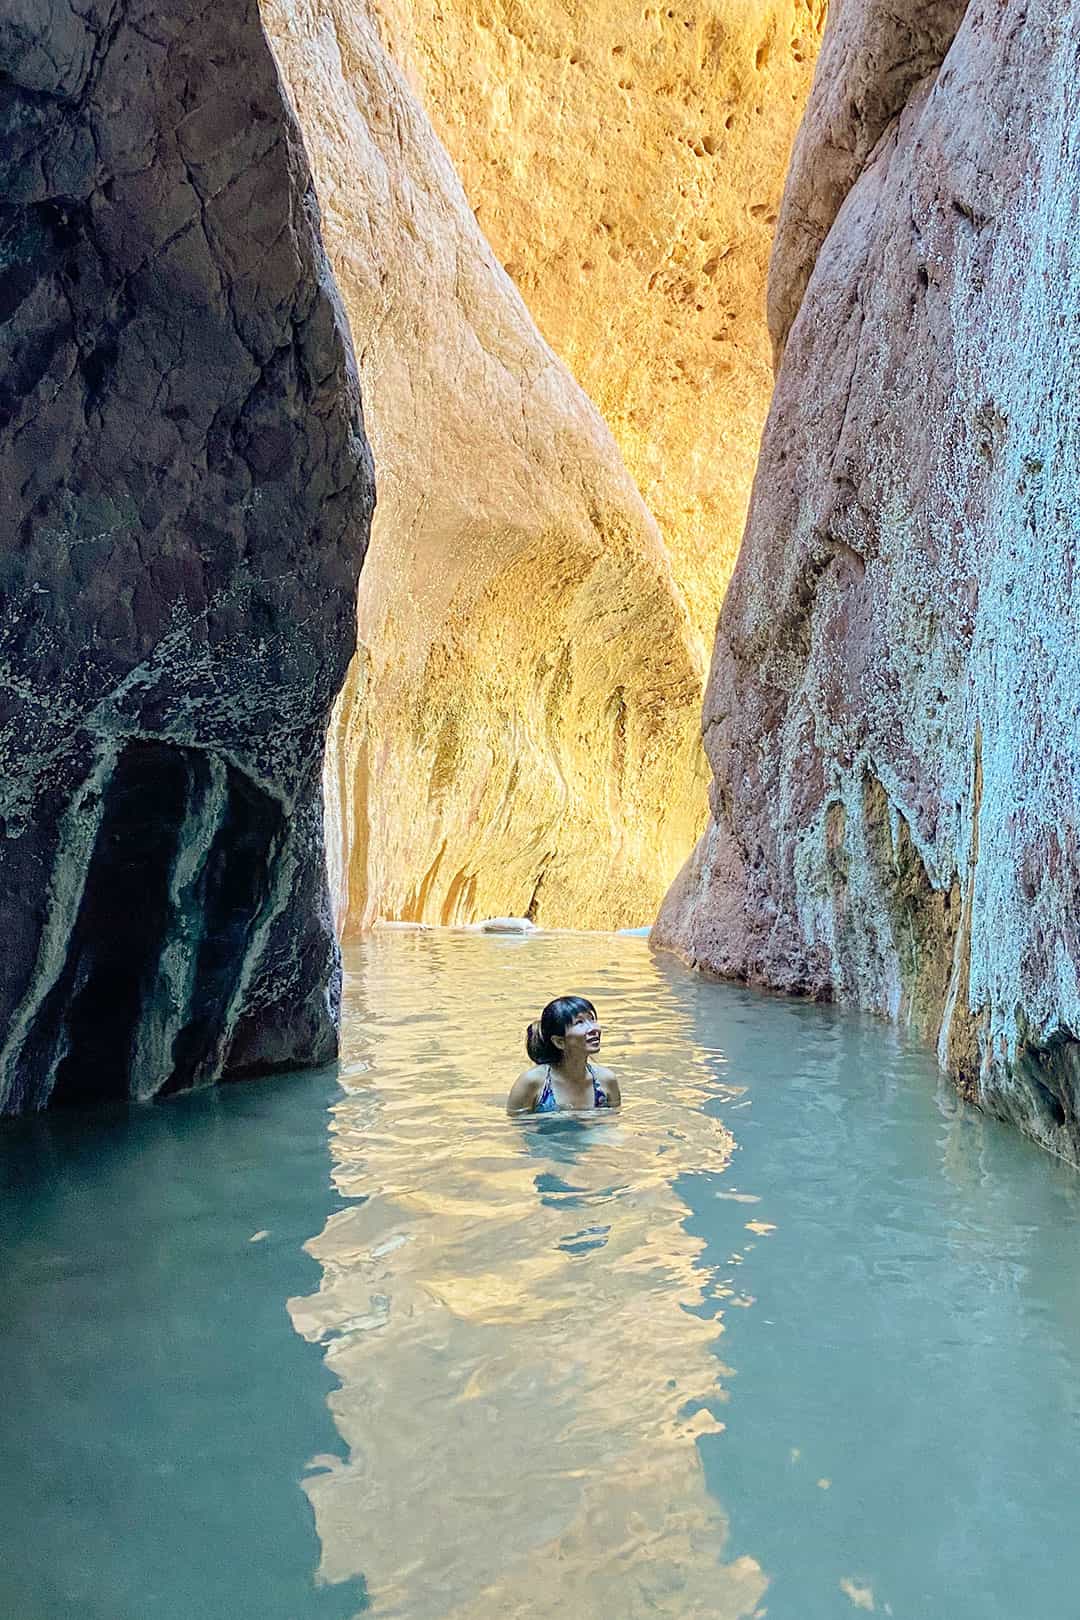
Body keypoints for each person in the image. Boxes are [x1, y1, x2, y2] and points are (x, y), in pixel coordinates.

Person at [506, 995, 621, 1114]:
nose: (593, 1029)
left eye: (591, 1019)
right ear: (559, 1042)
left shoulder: (606, 1080)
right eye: (579, 1022)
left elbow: (612, 1124)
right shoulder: (531, 1082)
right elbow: (517, 1126)